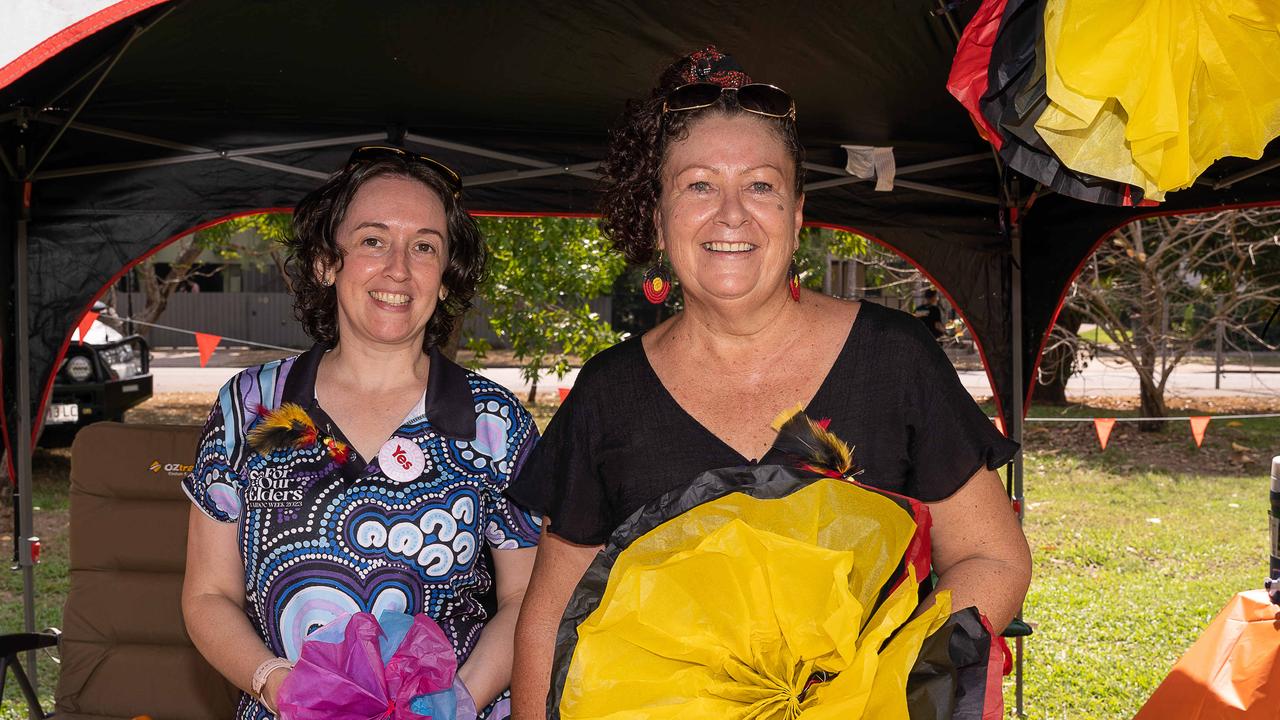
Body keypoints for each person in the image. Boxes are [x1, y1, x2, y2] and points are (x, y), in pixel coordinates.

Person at [506, 48, 1032, 718]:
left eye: (760, 186)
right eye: (698, 185)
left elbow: (994, 557)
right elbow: (548, 616)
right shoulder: (611, 393)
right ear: (659, 215)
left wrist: (879, 664)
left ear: (798, 212)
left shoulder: (893, 359)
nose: (732, 215)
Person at [181, 146, 540, 719]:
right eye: (373, 240)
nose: (399, 268)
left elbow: (528, 598)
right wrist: (279, 685)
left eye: (424, 246)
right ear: (327, 261)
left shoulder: (490, 422)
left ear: (445, 278)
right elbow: (208, 595)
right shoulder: (256, 409)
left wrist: (457, 700)